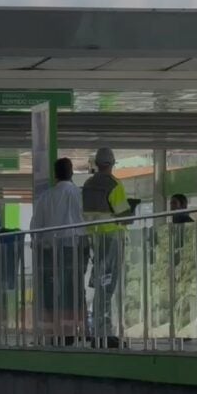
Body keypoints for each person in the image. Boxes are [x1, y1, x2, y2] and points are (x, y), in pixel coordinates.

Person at [30, 157, 85, 345]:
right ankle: (69, 333)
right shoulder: (77, 194)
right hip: (71, 248)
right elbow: (82, 222)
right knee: (71, 290)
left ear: (55, 175)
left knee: (50, 291)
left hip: (47, 251)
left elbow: (35, 226)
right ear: (71, 173)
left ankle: (51, 332)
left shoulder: (45, 197)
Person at [82, 148, 131, 348]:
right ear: (111, 164)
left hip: (92, 239)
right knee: (108, 286)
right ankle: (104, 333)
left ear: (96, 163)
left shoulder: (87, 185)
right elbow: (125, 215)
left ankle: (97, 331)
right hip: (110, 237)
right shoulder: (114, 184)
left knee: (99, 284)